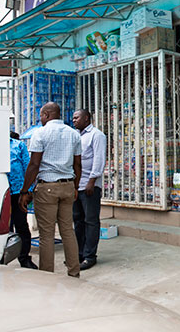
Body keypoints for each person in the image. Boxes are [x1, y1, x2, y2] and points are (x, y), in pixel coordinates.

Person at [19, 102, 82, 278]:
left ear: (46, 114)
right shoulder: (73, 134)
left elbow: (34, 165)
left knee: (46, 234)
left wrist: (25, 190)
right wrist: (75, 187)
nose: (40, 119)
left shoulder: (41, 133)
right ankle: (74, 272)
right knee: (67, 230)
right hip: (68, 186)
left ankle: (47, 277)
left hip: (47, 187)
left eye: (41, 115)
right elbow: (78, 164)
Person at [72, 109, 107, 270]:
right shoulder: (76, 136)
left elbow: (99, 159)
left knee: (91, 221)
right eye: (73, 118)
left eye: (76, 117)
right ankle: (79, 253)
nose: (74, 120)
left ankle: (90, 255)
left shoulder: (97, 135)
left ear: (86, 118)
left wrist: (92, 181)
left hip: (89, 186)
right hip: (76, 186)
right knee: (78, 221)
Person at [7, 131, 38, 269]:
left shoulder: (18, 145)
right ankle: (2, 259)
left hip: (18, 193)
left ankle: (24, 258)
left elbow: (27, 166)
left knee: (21, 227)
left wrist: (29, 190)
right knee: (3, 229)